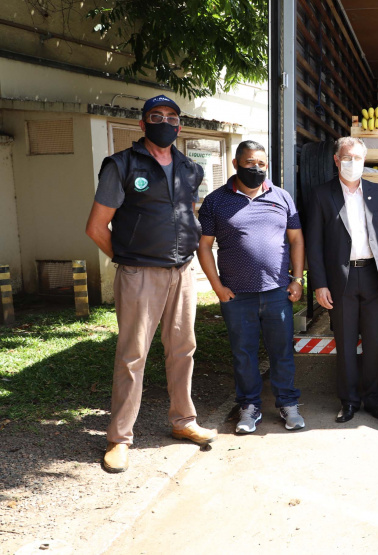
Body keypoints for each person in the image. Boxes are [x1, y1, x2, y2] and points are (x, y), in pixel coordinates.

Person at [85, 95, 217, 473]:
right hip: (139, 274)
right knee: (132, 357)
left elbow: (186, 216)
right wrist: (128, 259)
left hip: (181, 272)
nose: (164, 122)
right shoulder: (121, 165)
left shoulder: (190, 169)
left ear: (179, 126)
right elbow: (96, 227)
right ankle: (119, 439)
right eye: (155, 116)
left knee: (183, 350)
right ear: (142, 125)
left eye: (171, 117)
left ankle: (183, 421)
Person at [197, 140, 306, 434]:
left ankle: (287, 403)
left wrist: (297, 279)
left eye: (261, 163)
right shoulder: (216, 201)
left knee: (282, 350)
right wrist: (217, 286)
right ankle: (249, 406)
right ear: (235, 164)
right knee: (243, 353)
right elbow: (204, 246)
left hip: (277, 291)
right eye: (249, 163)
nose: (256, 168)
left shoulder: (282, 197)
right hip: (236, 294)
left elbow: (296, 240)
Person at [305, 137, 378, 423]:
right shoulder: (322, 195)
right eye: (346, 158)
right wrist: (319, 284)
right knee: (345, 344)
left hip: (374, 277)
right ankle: (348, 402)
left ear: (364, 160)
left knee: (374, 343)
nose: (352, 163)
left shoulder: (377, 192)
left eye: (357, 158)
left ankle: (373, 399)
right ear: (336, 160)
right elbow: (314, 244)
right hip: (341, 279)